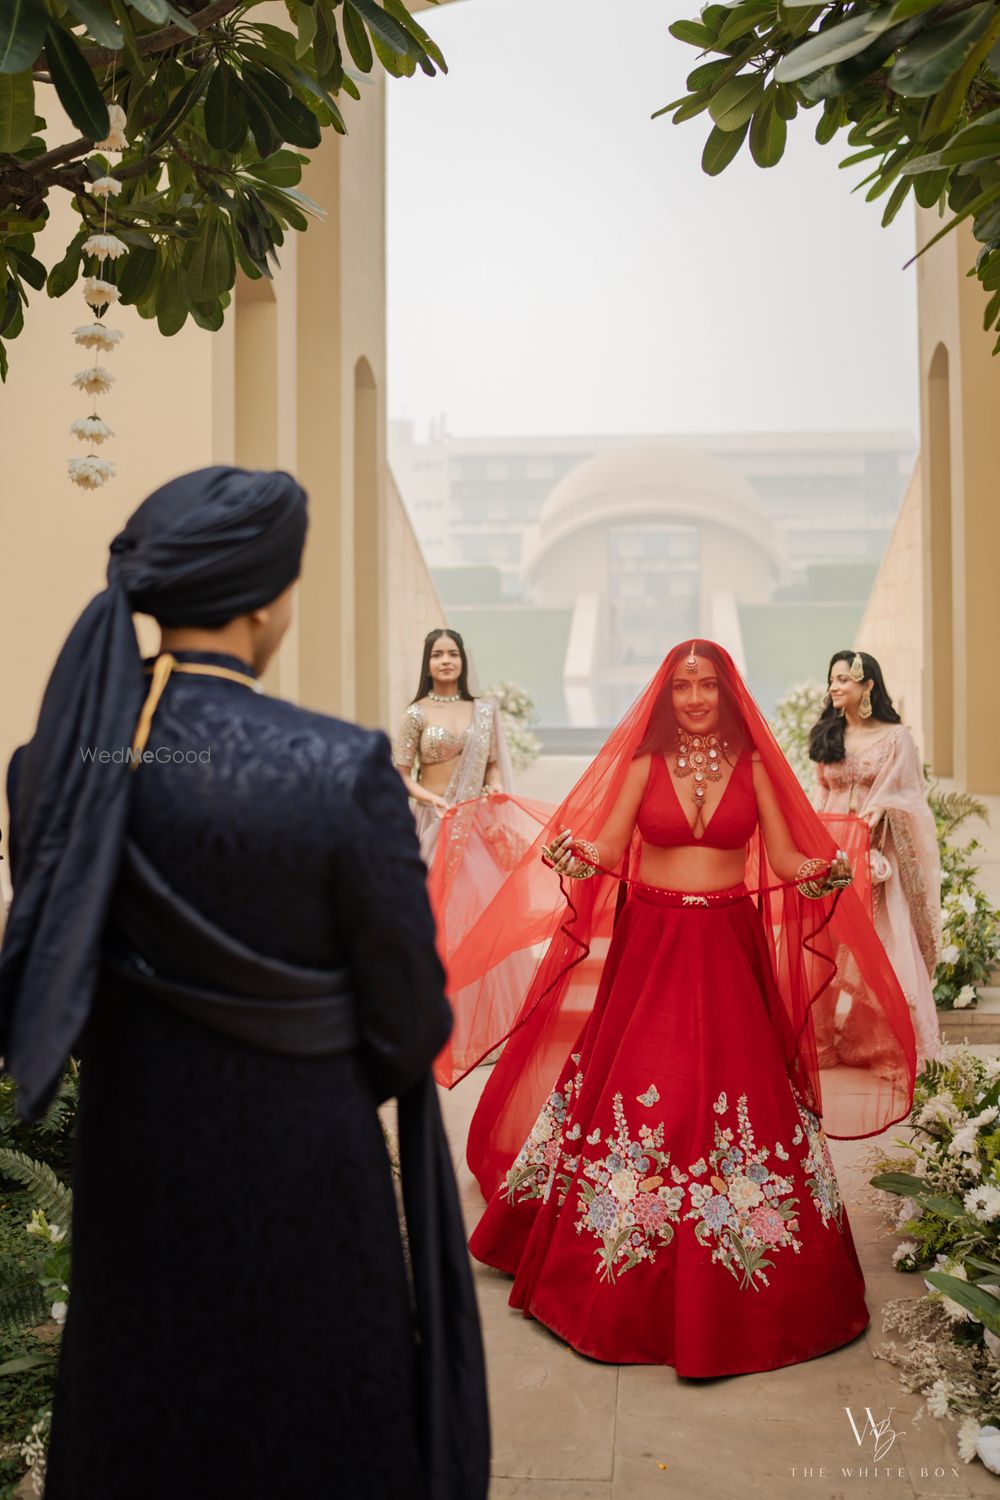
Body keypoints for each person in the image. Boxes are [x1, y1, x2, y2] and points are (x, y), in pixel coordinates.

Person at [0, 467, 488, 1500]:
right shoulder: (336, 764)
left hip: (136, 1172)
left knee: (148, 1423)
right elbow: (408, 1032)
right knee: (310, 1429)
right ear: (267, 600)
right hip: (307, 1180)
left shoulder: (54, 763)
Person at [430, 640, 916, 1376]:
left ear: (727, 693)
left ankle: (751, 1270)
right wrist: (574, 857)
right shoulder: (641, 767)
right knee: (639, 1092)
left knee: (735, 1093)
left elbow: (784, 859)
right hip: (652, 943)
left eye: (707, 685)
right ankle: (605, 1267)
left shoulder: (754, 768)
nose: (694, 698)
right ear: (666, 695)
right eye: (683, 685)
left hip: (726, 943)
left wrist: (816, 874)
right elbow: (606, 846)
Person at [809, 649, 943, 1068]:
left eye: (844, 679)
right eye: (832, 678)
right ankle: (819, 1042)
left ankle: (895, 1044)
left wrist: (881, 808)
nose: (834, 686)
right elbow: (820, 793)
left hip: (874, 851)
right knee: (822, 944)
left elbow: (908, 793)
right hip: (831, 852)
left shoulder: (896, 737)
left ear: (867, 686)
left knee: (886, 945)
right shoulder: (828, 735)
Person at [393, 630, 512, 865]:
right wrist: (432, 800)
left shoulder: (482, 711)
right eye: (437, 655)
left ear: (462, 663)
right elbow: (402, 776)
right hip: (431, 818)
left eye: (453, 654)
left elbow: (492, 766)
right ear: (427, 666)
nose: (446, 660)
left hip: (473, 821)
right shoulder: (416, 713)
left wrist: (496, 785)